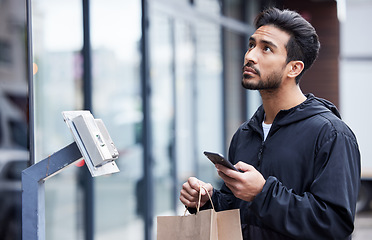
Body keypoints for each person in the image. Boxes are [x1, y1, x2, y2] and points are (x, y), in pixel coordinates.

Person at [179, 7, 361, 240]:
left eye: (266, 48)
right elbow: (240, 209)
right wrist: (208, 199)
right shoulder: (245, 133)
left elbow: (335, 224)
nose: (250, 56)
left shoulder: (331, 134)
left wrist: (263, 193)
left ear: (294, 68)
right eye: (251, 45)